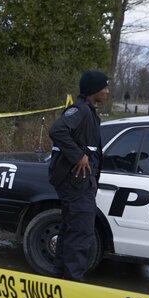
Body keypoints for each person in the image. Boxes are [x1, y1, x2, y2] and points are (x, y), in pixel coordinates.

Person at [48, 70, 109, 281]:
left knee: (70, 232)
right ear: (94, 89)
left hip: (80, 182)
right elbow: (57, 130)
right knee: (81, 234)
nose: (107, 91)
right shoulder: (80, 110)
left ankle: (61, 279)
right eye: (105, 87)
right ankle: (73, 283)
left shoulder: (88, 112)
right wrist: (78, 156)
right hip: (76, 182)